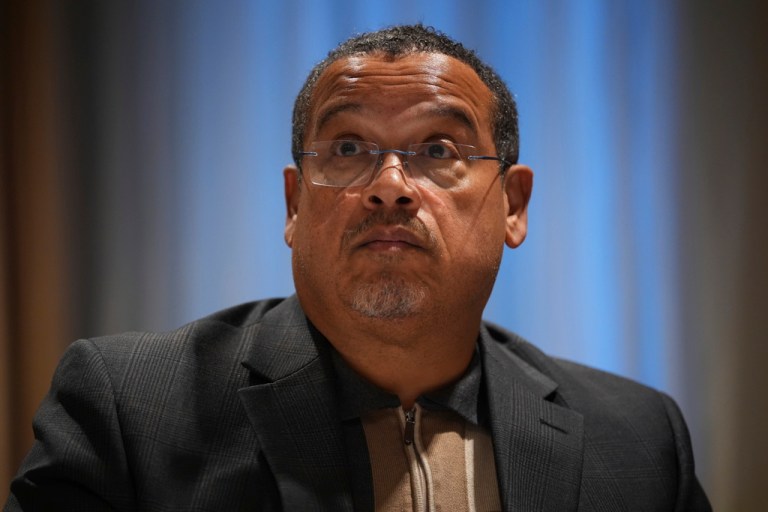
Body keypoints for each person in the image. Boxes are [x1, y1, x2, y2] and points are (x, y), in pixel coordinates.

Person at [6, 24, 710, 511]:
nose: (390, 185)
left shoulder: (637, 440)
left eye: (438, 149)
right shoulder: (129, 410)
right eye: (347, 150)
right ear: (294, 204)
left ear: (514, 206)